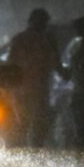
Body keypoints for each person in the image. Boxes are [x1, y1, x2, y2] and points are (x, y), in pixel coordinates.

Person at [8, 8, 62, 147]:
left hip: (22, 90)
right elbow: (57, 64)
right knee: (39, 125)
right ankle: (34, 152)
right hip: (39, 90)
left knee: (22, 125)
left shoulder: (19, 39)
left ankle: (22, 153)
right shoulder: (47, 40)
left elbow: (11, 63)